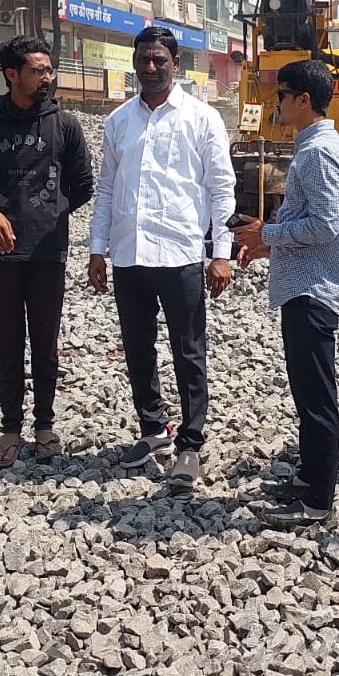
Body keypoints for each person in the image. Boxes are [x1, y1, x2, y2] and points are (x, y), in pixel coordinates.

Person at [88, 26, 236, 493]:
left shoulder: (202, 118)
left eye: (159, 60)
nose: (149, 68)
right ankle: (153, 429)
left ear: (176, 64)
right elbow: (107, 188)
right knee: (137, 346)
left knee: (188, 351)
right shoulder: (119, 122)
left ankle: (190, 444)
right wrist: (97, 248)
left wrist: (221, 253)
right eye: (143, 60)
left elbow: (221, 189)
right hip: (129, 254)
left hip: (181, 255)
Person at [0, 36, 95, 470]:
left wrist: (50, 213)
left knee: (45, 345)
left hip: (47, 254)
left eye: (49, 70)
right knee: (6, 346)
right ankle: (11, 428)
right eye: (38, 71)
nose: (47, 78)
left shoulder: (65, 125)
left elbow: (84, 184)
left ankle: (45, 427)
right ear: (12, 75)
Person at [231, 60, 339, 528]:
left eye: (281, 94)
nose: (275, 103)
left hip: (313, 291)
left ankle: (318, 501)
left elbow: (325, 225)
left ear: (304, 100)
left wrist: (268, 233)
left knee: (317, 398)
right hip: (303, 286)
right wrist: (267, 244)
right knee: (306, 394)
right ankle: (308, 477)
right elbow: (310, 222)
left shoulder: (319, 152)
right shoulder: (312, 146)